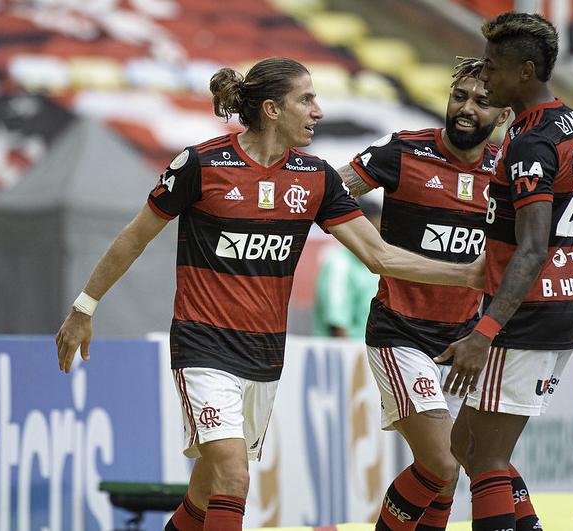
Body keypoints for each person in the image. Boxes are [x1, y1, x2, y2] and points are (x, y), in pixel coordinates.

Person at [54, 57, 483, 531]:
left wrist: (471, 275)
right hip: (203, 346)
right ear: (273, 109)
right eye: (307, 99)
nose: (318, 111)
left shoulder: (315, 177)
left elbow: (379, 256)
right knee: (233, 479)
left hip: (263, 354)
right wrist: (83, 308)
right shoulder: (201, 164)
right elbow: (134, 237)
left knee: (204, 493)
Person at [433, 12, 573, 531]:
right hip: (557, 306)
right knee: (465, 445)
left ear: (525, 71)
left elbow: (530, 248)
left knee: (485, 459)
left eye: (494, 68)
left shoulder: (529, 143)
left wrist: (485, 332)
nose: (485, 78)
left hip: (523, 316)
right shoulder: (569, 122)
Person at [338, 58, 514, 531]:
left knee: (449, 471)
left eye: (482, 101)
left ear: (504, 116)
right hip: (400, 332)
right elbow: (328, 190)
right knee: (442, 462)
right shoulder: (404, 153)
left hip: (462, 341)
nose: (465, 109)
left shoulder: (510, 173)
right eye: (459, 97)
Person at [313, 196, 382, 338]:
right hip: (345, 355)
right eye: (374, 231)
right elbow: (337, 326)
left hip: (368, 354)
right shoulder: (339, 264)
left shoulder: (376, 265)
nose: (379, 239)